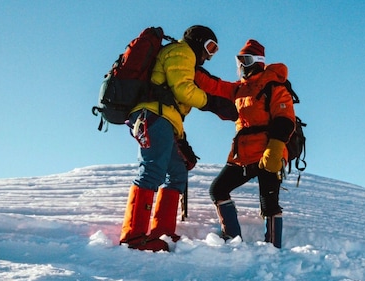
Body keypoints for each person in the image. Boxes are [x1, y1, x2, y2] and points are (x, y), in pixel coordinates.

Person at [119, 25, 235, 251]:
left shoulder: (185, 57)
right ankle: (134, 236)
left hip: (164, 119)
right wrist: (212, 102)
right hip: (153, 115)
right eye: (210, 48)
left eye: (214, 51)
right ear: (199, 41)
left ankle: (162, 231)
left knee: (178, 172)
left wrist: (180, 138)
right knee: (153, 169)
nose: (209, 56)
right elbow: (183, 90)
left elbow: (175, 100)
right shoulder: (182, 52)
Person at [194, 39, 296, 248]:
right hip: (242, 154)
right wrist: (191, 70)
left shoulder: (273, 85)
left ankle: (273, 249)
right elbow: (215, 86)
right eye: (239, 60)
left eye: (246, 59)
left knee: (269, 203)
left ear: (258, 61)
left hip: (267, 152)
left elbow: (285, 118)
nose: (241, 65)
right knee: (218, 190)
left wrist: (275, 149)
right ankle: (232, 239)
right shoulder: (239, 89)